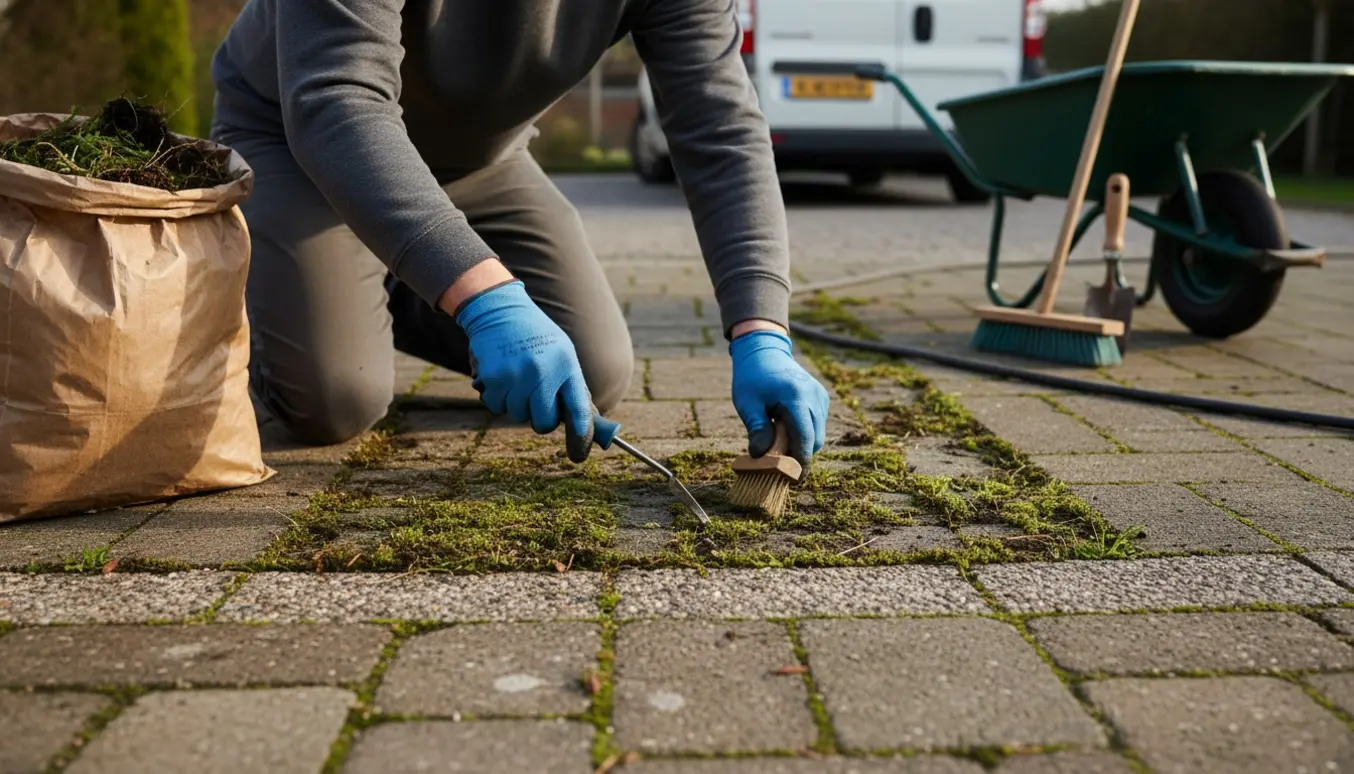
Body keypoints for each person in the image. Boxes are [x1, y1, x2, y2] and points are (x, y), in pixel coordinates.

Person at [208, 0, 830, 472]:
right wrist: (487, 299)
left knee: (593, 372)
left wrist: (763, 331)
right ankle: (301, 291)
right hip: (301, 142)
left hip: (482, 161)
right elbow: (335, 96)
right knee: (335, 401)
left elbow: (721, 130)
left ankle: (405, 274)